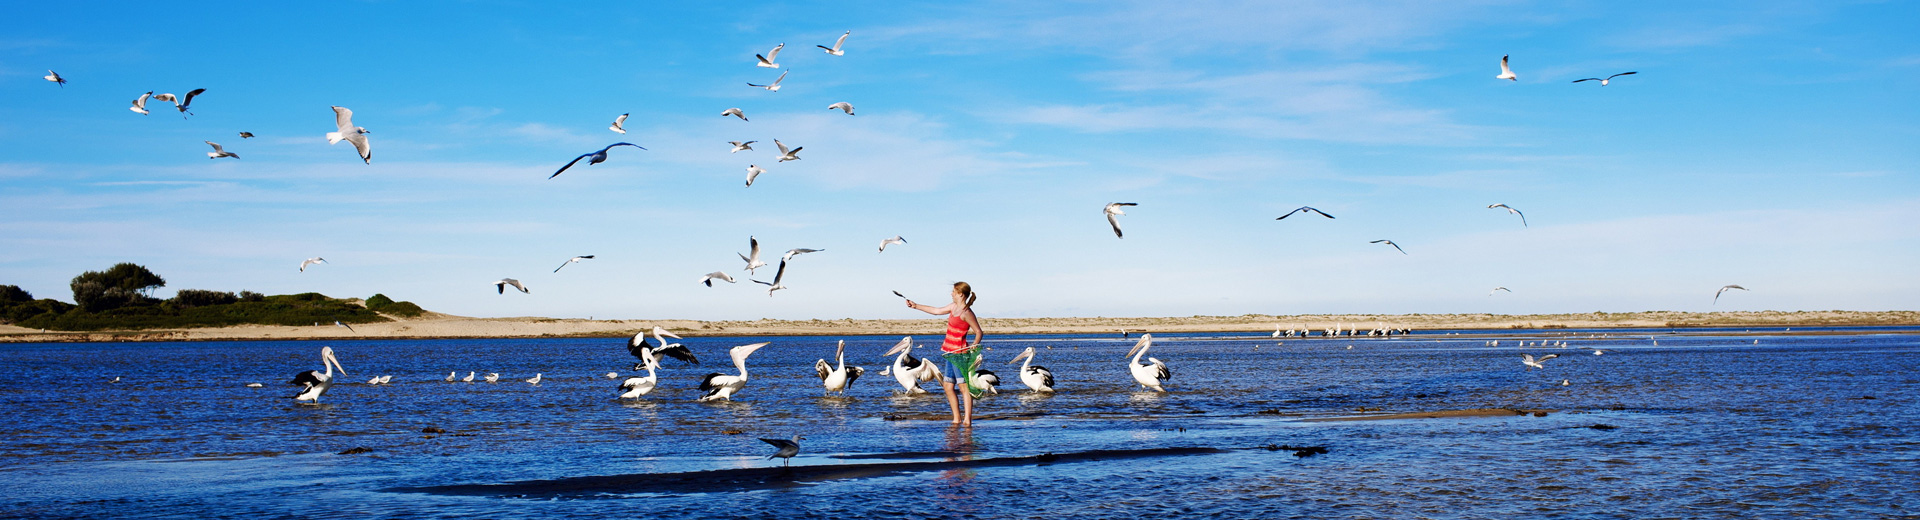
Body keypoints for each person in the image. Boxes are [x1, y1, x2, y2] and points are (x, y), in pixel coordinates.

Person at [905, 282, 984, 426]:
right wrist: (916, 306)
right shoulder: (953, 307)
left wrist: (973, 348)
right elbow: (936, 311)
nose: (951, 294)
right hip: (949, 353)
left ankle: (967, 420)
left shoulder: (967, 313)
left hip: (960, 355)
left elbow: (979, 332)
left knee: (963, 387)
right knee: (948, 387)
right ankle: (956, 419)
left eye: (953, 292)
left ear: (961, 294)